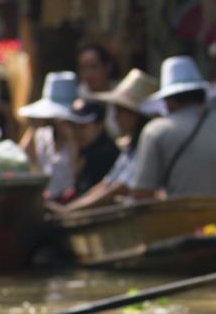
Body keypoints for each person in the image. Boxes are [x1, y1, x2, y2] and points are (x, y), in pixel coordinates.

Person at [129, 56, 216, 199]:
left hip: (183, 220)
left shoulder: (156, 131)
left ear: (168, 102)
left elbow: (141, 195)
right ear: (203, 95)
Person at [53, 68, 159, 212]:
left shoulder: (145, 146)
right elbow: (107, 183)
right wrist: (71, 208)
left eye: (120, 112)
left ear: (134, 115)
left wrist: (70, 210)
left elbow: (119, 188)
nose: (115, 118)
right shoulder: (130, 149)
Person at [17, 71, 90, 201]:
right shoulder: (43, 135)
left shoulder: (78, 139)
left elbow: (76, 173)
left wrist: (68, 133)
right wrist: (33, 127)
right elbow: (22, 158)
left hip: (68, 201)